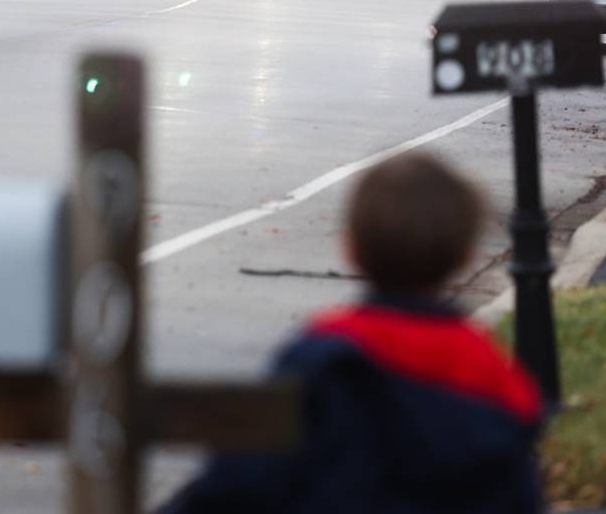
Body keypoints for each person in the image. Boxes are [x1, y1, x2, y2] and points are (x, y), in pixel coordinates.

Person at [155, 152, 545, 514]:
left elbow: (235, 482)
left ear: (351, 249)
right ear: (466, 255)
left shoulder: (319, 360)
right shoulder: (493, 378)